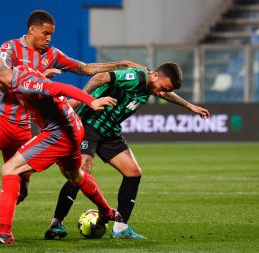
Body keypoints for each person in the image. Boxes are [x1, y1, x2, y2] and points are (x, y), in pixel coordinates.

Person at [0, 10, 141, 241]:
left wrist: (119, 65)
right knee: (68, 174)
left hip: (37, 126)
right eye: (45, 33)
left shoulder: (47, 58)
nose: (49, 39)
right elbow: (2, 72)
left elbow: (82, 69)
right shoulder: (10, 49)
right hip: (4, 118)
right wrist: (41, 77)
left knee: (16, 179)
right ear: (32, 29)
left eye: (51, 35)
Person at [44, 63, 211, 240]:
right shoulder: (135, 77)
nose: (161, 94)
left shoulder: (152, 84)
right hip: (89, 124)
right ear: (154, 76)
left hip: (109, 131)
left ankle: (121, 228)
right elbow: (100, 77)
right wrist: (82, 99)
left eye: (165, 91)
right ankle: (56, 224)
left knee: (133, 173)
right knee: (81, 171)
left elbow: (166, 91)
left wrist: (189, 106)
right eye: (162, 88)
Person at [0, 55, 121, 245]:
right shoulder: (21, 71)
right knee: (76, 175)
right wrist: (43, 77)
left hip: (59, 132)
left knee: (9, 169)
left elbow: (62, 88)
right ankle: (106, 211)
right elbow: (39, 85)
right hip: (73, 128)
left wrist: (90, 101)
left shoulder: (22, 84)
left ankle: (4, 233)